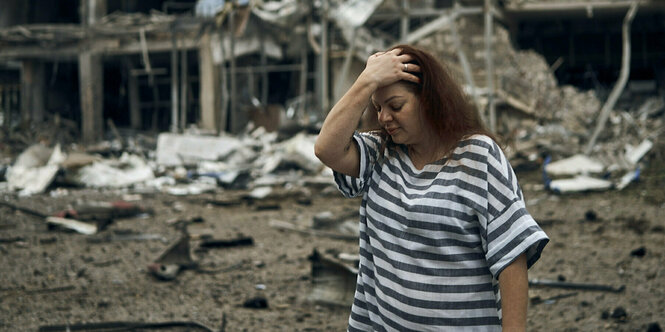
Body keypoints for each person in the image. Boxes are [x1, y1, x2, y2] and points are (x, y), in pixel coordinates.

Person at [314, 44, 549, 331]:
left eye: (396, 106)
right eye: (378, 108)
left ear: (429, 100)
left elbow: (512, 256)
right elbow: (327, 148)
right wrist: (367, 80)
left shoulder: (478, 157)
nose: (385, 118)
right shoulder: (378, 154)